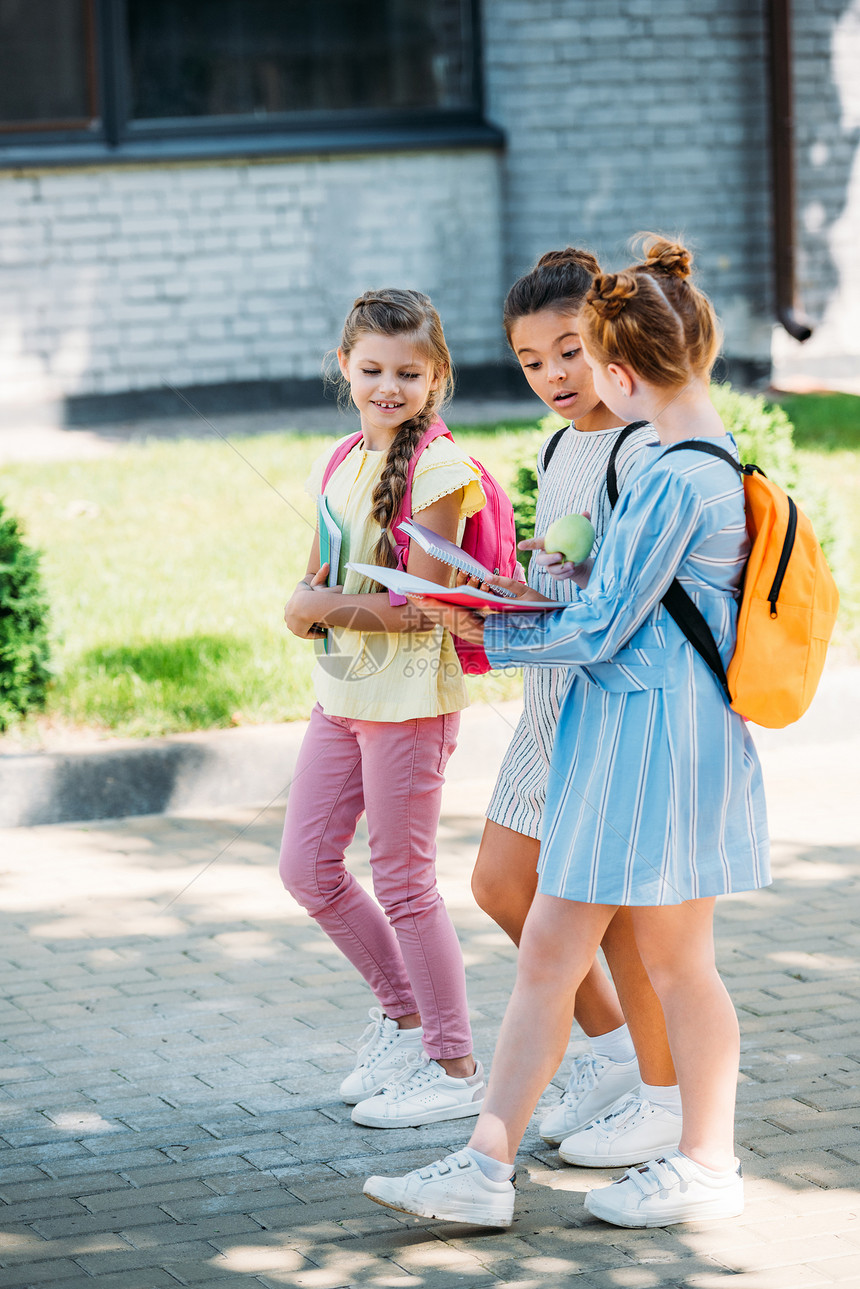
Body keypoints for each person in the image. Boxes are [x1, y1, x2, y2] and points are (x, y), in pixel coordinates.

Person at [362, 237, 771, 1228]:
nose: (573, 383)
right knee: (576, 952)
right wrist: (513, 605)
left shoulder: (675, 475)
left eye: (583, 359)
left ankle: (692, 1158)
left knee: (661, 963)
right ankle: (491, 1163)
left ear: (620, 370)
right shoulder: (698, 462)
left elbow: (600, 623)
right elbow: (606, 604)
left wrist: (478, 628)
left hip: (646, 743)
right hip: (634, 737)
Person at [474, 248, 682, 1168]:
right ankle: (605, 1059)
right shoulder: (561, 446)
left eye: (568, 351)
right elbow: (564, 572)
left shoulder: (639, 447)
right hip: (545, 702)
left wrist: (575, 579)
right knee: (498, 884)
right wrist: (507, 582)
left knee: (627, 922)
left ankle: (660, 1090)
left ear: (606, 343)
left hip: (604, 708)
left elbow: (638, 587)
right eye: (531, 361)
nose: (554, 376)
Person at [280, 288, 488, 1129]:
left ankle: (454, 1063)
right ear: (346, 368)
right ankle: (405, 1021)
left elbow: (425, 605)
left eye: (407, 372)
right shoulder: (341, 457)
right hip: (343, 695)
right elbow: (316, 574)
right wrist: (311, 602)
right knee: (307, 869)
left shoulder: (440, 469)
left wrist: (316, 609)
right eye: (372, 370)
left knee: (405, 883)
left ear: (435, 376)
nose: (388, 387)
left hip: (408, 702)